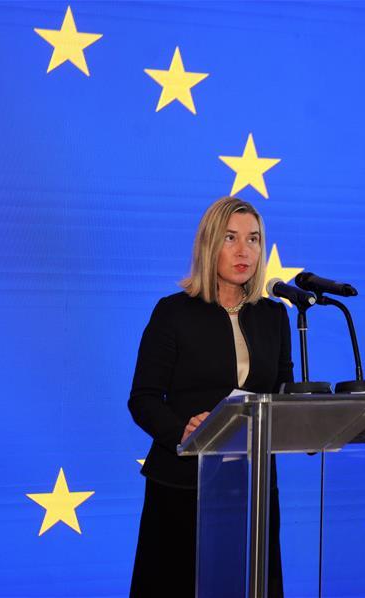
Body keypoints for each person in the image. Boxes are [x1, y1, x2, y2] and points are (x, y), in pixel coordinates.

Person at [128, 196, 292, 597]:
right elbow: (143, 398)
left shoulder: (274, 315)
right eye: (231, 238)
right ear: (209, 244)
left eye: (253, 239)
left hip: (252, 487)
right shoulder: (173, 313)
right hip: (184, 486)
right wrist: (183, 430)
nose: (244, 250)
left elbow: (282, 394)